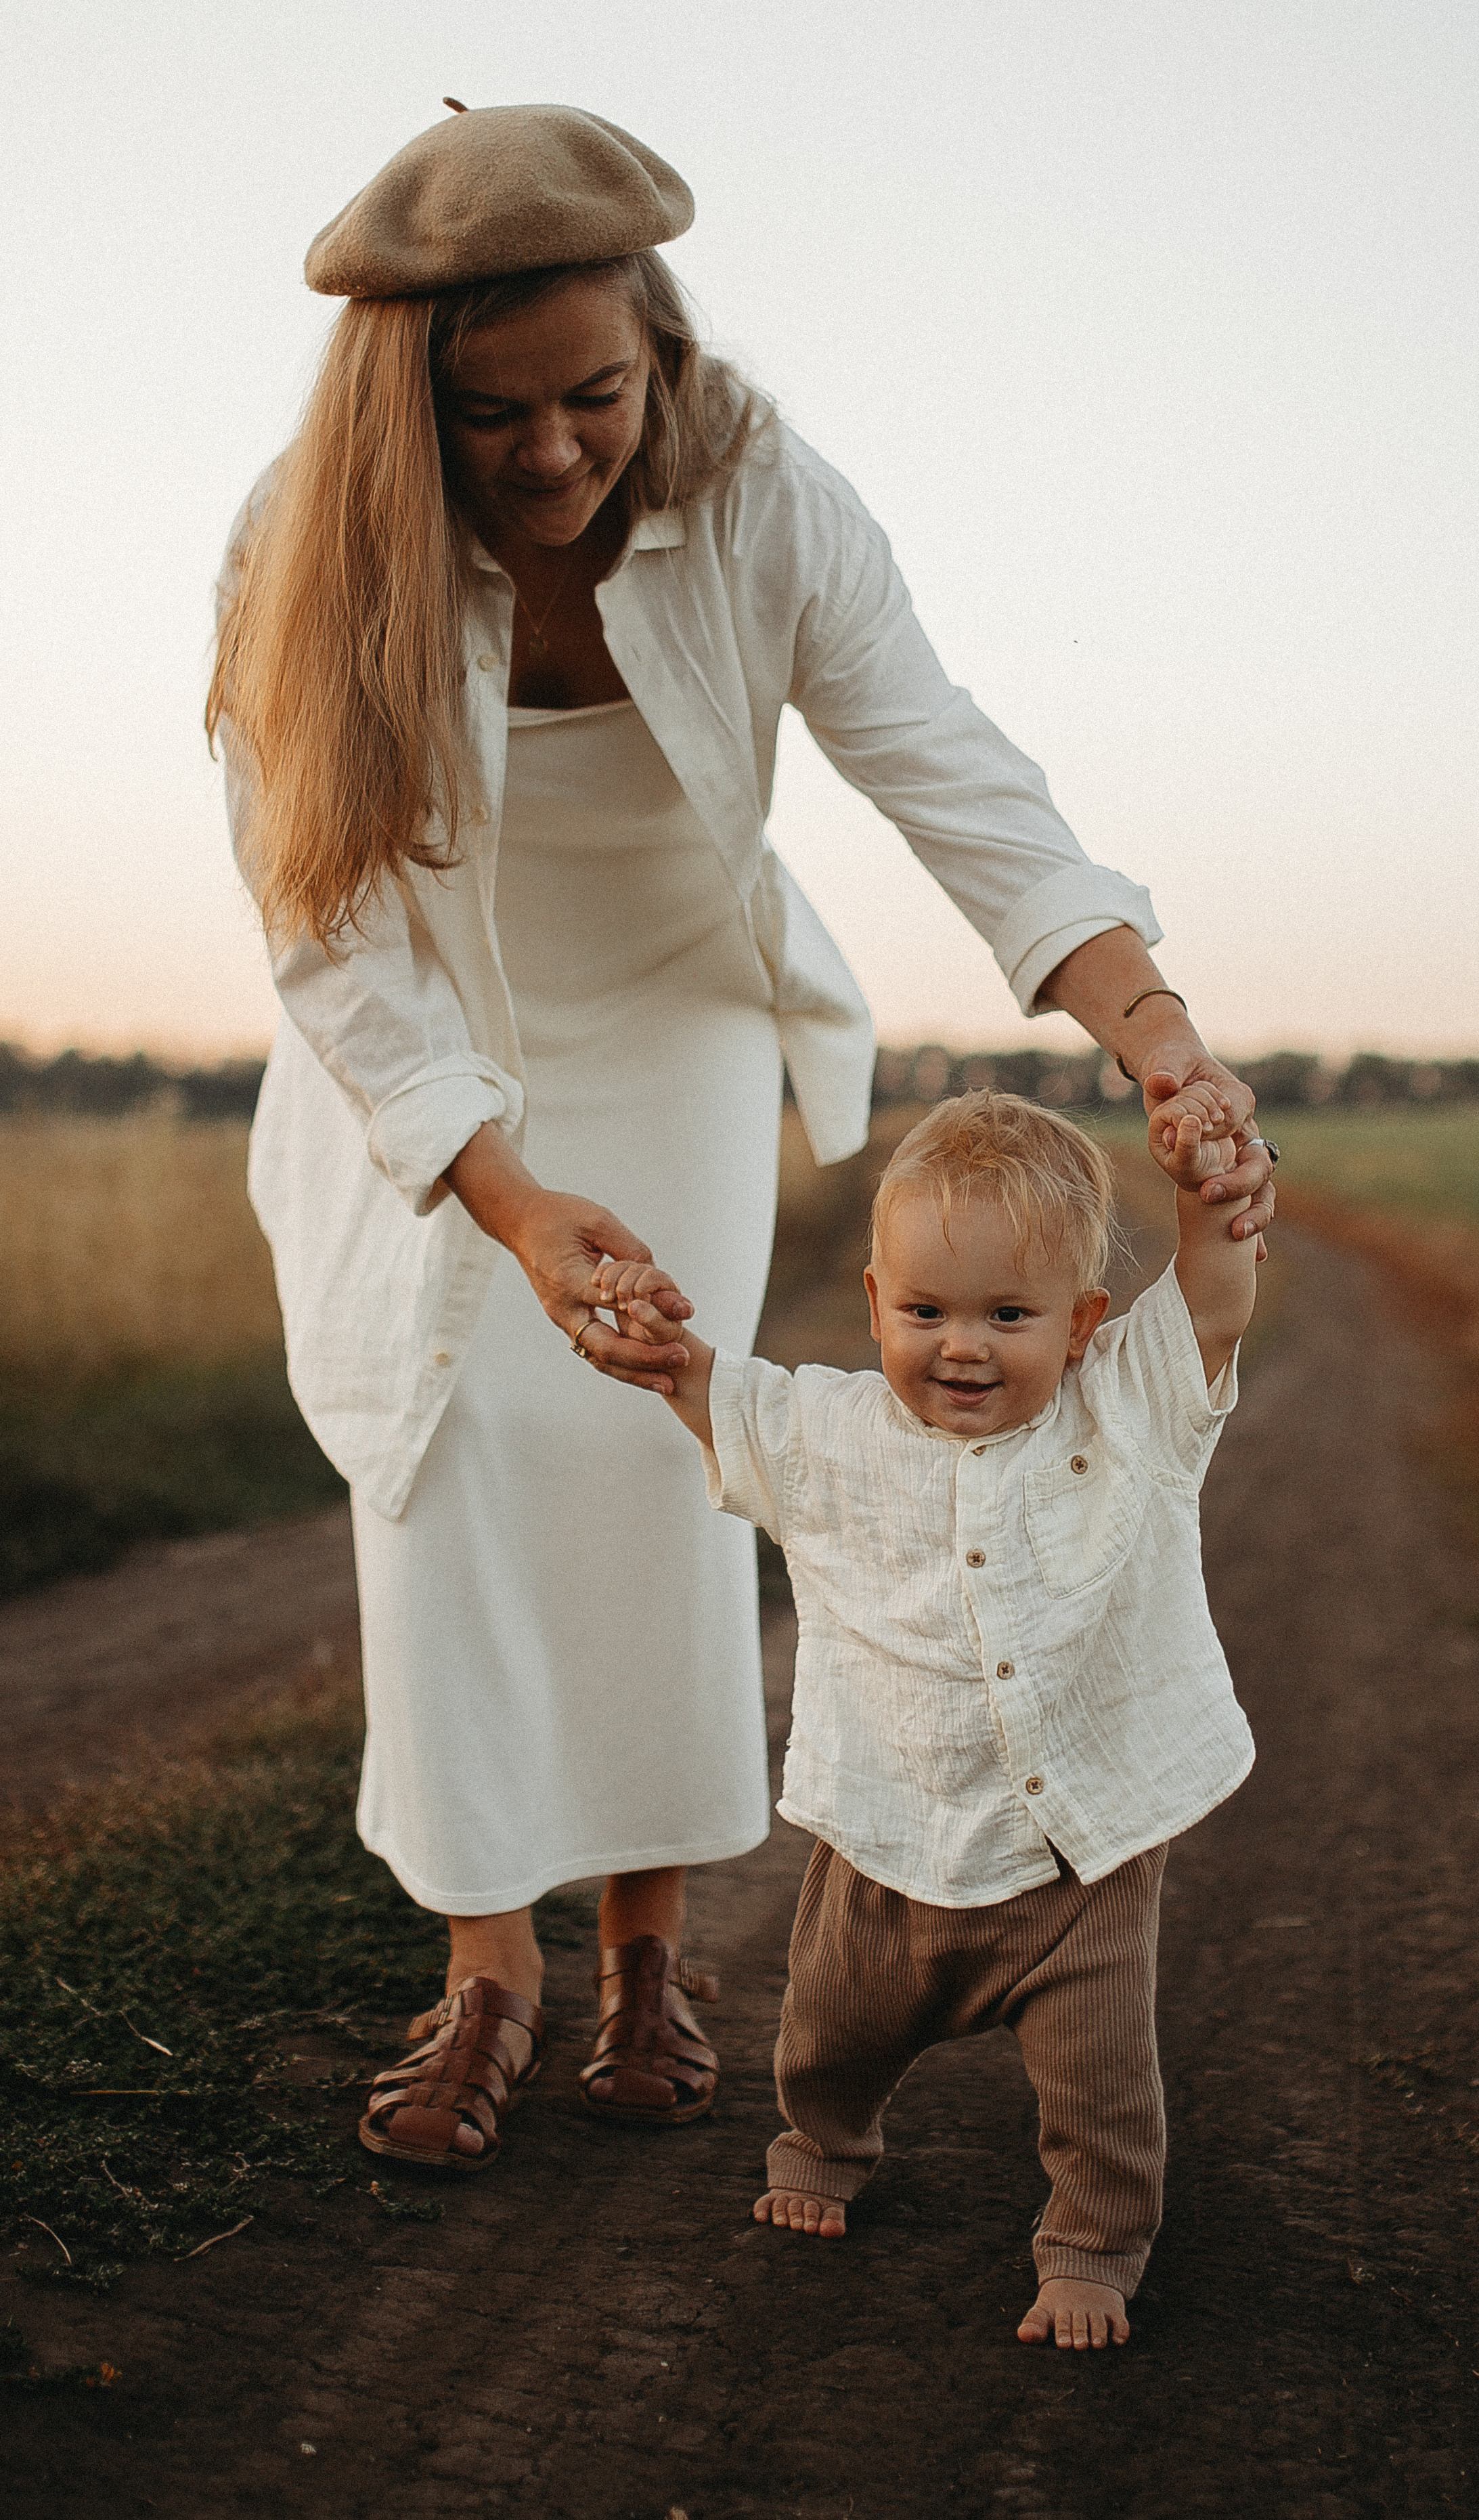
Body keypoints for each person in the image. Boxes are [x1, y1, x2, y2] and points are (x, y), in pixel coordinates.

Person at [207, 100, 1275, 2174]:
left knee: (649, 1445)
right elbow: (315, 925)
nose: (545, 454)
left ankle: (647, 1955)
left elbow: (952, 777)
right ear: (400, 397)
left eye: (591, 394)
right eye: (486, 411)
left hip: (677, 1009)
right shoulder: (306, 535)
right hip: (431, 1048)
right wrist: (501, 1194)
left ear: (660, 347)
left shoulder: (766, 494)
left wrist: (1161, 1039)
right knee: (457, 1462)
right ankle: (484, 1971)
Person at [592, 1087, 1256, 2346]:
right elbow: (716, 1393)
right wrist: (654, 1347)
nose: (962, 1345)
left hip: (1082, 1856)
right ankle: (824, 2144)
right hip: (886, 1834)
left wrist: (1209, 1188)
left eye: (1009, 1314)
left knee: (1102, 2086)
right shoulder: (828, 1428)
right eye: (926, 1310)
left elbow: (1213, 1302)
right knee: (829, 2026)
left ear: (1082, 1325)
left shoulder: (1130, 1408)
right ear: (875, 1301)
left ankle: (1093, 2243)